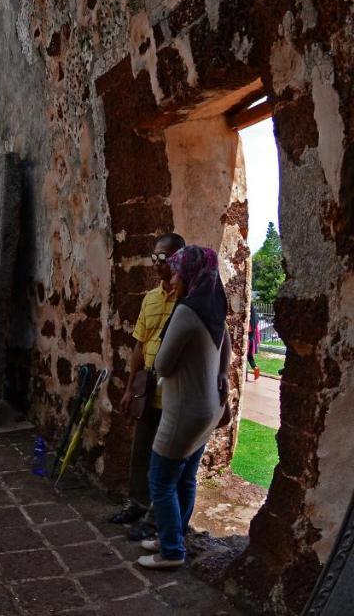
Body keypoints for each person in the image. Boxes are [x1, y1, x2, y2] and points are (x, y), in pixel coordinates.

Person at [139, 245, 232, 570]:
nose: (173, 279)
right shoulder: (214, 305)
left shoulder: (187, 310)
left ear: (190, 274)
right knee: (186, 477)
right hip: (209, 409)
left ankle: (171, 551)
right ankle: (173, 535)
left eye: (178, 271)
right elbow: (227, 346)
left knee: (160, 479)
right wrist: (221, 373)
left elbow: (163, 365)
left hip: (184, 410)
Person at [111, 233, 185, 530]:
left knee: (167, 457)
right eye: (154, 258)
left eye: (164, 258)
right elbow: (139, 346)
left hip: (175, 392)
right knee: (141, 449)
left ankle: (159, 514)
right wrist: (130, 387)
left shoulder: (187, 298)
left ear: (178, 258)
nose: (157, 264)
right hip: (149, 389)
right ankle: (137, 503)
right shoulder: (150, 299)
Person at [247, 306, 261, 381]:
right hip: (252, 340)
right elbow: (257, 330)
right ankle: (256, 369)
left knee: (245, 357)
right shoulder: (256, 317)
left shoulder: (248, 317)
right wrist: (258, 340)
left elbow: (248, 329)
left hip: (247, 340)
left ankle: (244, 375)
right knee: (249, 357)